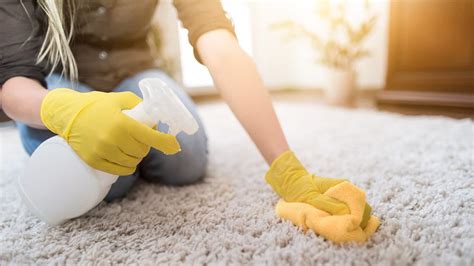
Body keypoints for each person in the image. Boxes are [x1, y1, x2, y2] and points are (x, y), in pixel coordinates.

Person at [0, 0, 372, 227]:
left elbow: (218, 44)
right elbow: (13, 80)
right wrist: (66, 110)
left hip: (134, 69)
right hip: (64, 77)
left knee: (185, 161)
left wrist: (287, 167)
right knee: (114, 180)